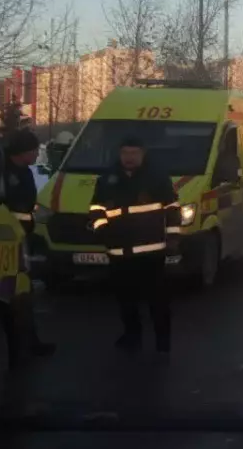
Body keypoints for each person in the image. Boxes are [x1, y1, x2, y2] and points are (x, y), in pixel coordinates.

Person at [90, 135, 181, 354]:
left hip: (150, 252)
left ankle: (162, 340)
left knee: (157, 300)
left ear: (143, 153)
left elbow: (172, 208)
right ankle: (132, 336)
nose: (129, 158)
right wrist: (102, 232)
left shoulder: (156, 177)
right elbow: (96, 209)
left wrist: (173, 238)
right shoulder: (108, 178)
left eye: (133, 153)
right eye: (125, 153)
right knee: (125, 299)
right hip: (119, 251)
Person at [3, 129, 57, 357]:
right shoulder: (3, 172)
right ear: (23, 151)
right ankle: (20, 346)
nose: (37, 155)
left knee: (22, 292)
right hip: (5, 240)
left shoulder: (22, 172)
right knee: (14, 294)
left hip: (21, 237)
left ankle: (29, 343)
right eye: (34, 150)